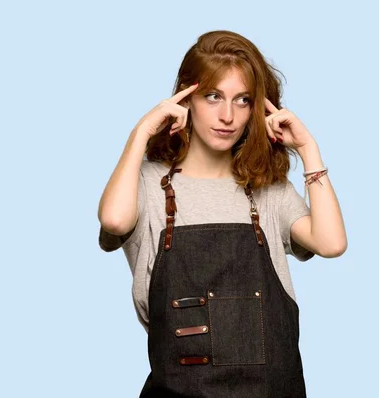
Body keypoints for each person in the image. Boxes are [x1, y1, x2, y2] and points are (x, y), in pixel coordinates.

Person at [97, 30, 347, 397]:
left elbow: (331, 243)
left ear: (256, 109)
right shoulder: (148, 184)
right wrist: (141, 134)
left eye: (242, 100)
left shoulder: (267, 188)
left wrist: (309, 149)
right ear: (187, 99)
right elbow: (114, 221)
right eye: (213, 97)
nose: (227, 115)